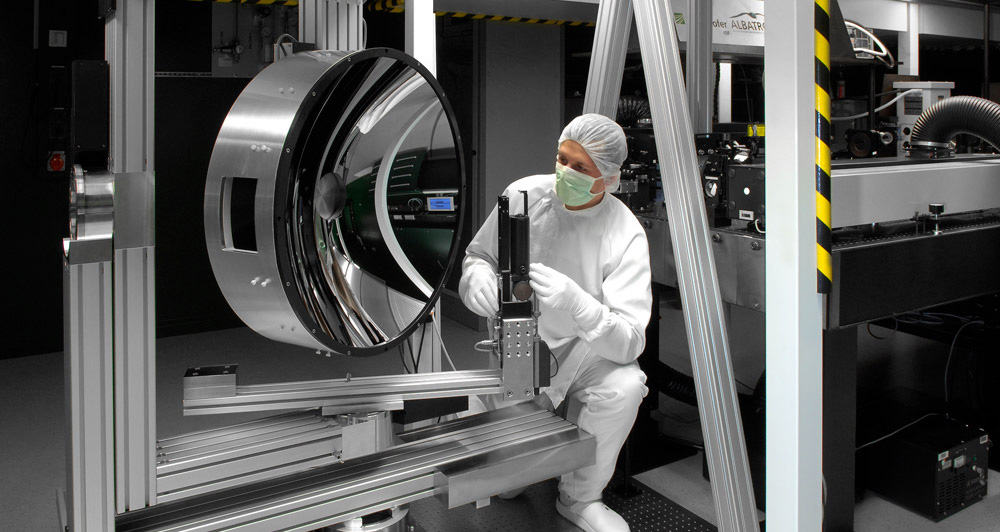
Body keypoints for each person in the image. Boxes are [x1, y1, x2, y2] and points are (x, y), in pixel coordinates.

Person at [459, 114, 652, 532]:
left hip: (587, 348)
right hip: (524, 346)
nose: (565, 172)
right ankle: (504, 437)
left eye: (581, 167)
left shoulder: (625, 233)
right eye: (562, 159)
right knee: (507, 487)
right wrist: (475, 279)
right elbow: (480, 255)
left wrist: (582, 306)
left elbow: (629, 341)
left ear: (609, 178)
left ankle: (580, 498)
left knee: (624, 386)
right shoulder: (523, 195)